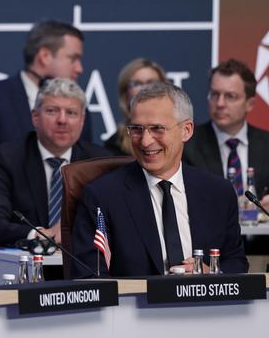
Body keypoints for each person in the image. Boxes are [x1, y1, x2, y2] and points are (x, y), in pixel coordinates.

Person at [71, 82, 248, 278]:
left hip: (205, 305)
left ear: (186, 130)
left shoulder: (218, 192)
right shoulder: (103, 197)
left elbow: (236, 262)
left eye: (157, 128)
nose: (145, 141)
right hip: (134, 307)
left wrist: (211, 273)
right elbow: (89, 274)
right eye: (137, 129)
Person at [0, 20, 93, 188]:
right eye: (73, 58)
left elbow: (87, 164)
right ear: (44, 56)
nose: (79, 68)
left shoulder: (78, 107)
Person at [0, 78, 110, 247]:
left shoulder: (99, 162)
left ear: (82, 121)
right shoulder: (6, 159)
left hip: (84, 264)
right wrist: (42, 235)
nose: (62, 120)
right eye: (52, 111)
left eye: (71, 113)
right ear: (35, 117)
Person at [183, 59, 269, 219]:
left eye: (230, 96)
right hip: (210, 242)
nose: (220, 103)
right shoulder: (188, 144)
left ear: (250, 104)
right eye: (214, 94)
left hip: (261, 242)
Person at [104, 58, 167, 156]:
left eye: (152, 83)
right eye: (137, 83)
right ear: (125, 95)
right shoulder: (114, 145)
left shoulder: (181, 133)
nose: (145, 89)